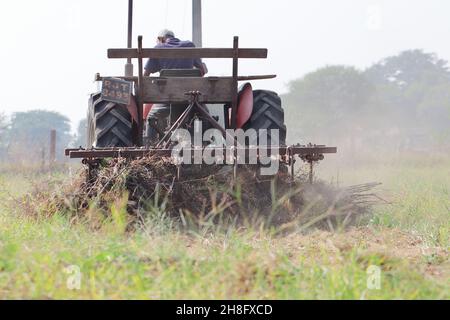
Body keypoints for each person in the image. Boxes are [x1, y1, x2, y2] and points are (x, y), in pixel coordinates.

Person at [144, 29, 208, 144]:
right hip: (190, 98)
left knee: (151, 117)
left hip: (167, 98)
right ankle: (208, 143)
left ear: (161, 39)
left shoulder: (158, 48)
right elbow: (202, 71)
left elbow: (145, 75)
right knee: (206, 114)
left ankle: (150, 149)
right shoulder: (189, 45)